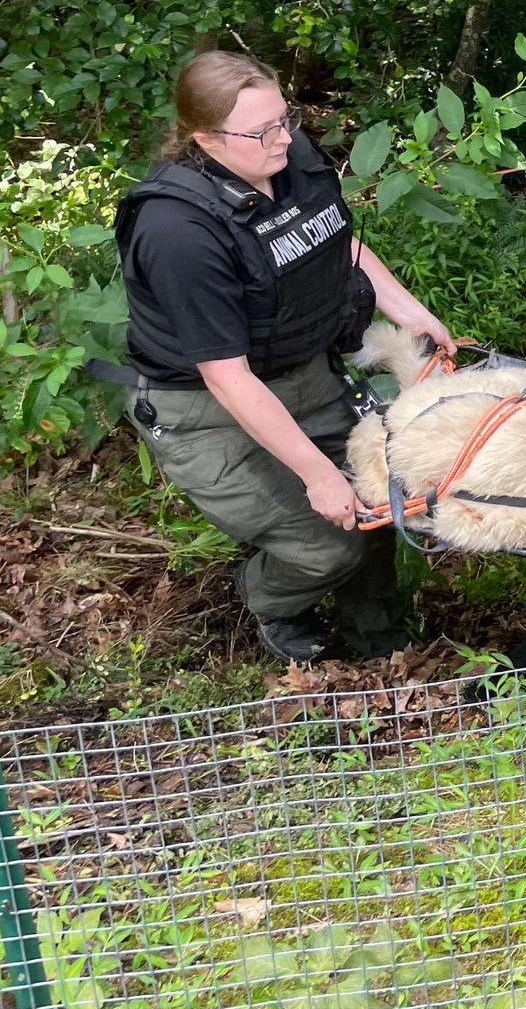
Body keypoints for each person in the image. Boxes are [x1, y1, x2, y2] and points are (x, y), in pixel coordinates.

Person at [113, 51, 454, 664]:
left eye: (285, 118)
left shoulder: (289, 158)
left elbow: (335, 235)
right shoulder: (177, 231)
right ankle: (267, 598)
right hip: (204, 408)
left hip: (306, 374)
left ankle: (379, 645)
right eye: (262, 130)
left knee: (375, 506)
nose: (285, 138)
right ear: (203, 138)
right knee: (328, 544)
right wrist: (317, 474)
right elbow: (227, 377)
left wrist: (408, 310)